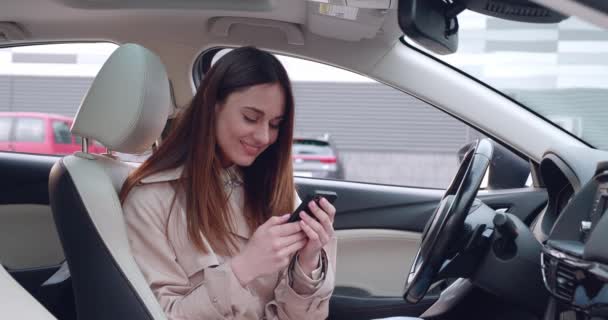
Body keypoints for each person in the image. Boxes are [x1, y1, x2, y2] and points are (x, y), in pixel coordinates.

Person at [120, 46, 337, 320]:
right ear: (213, 107)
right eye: (251, 118)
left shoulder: (274, 190)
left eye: (275, 124)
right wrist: (244, 268)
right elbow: (161, 315)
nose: (264, 137)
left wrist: (307, 264)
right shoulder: (151, 200)